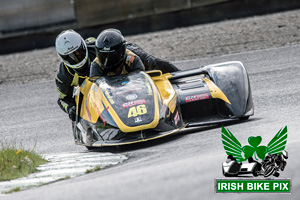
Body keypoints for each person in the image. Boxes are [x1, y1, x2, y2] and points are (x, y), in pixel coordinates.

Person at [55, 29, 179, 121]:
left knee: (151, 61)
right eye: (70, 57)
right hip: (98, 91)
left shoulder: (96, 49)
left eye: (79, 52)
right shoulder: (63, 76)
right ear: (62, 58)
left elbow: (108, 45)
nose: (76, 58)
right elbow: (63, 100)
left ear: (83, 46)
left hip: (118, 58)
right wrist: (70, 109)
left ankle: (179, 78)